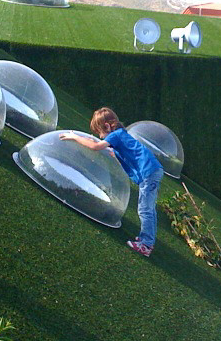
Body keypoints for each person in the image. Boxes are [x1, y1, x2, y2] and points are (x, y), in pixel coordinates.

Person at [59, 107, 163, 257]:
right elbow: (116, 151)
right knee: (148, 209)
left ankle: (146, 245)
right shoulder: (120, 135)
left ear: (107, 126)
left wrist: (74, 137)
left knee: (145, 209)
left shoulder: (115, 135)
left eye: (100, 133)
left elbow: (96, 147)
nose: (101, 137)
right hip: (152, 170)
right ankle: (146, 239)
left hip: (149, 171)